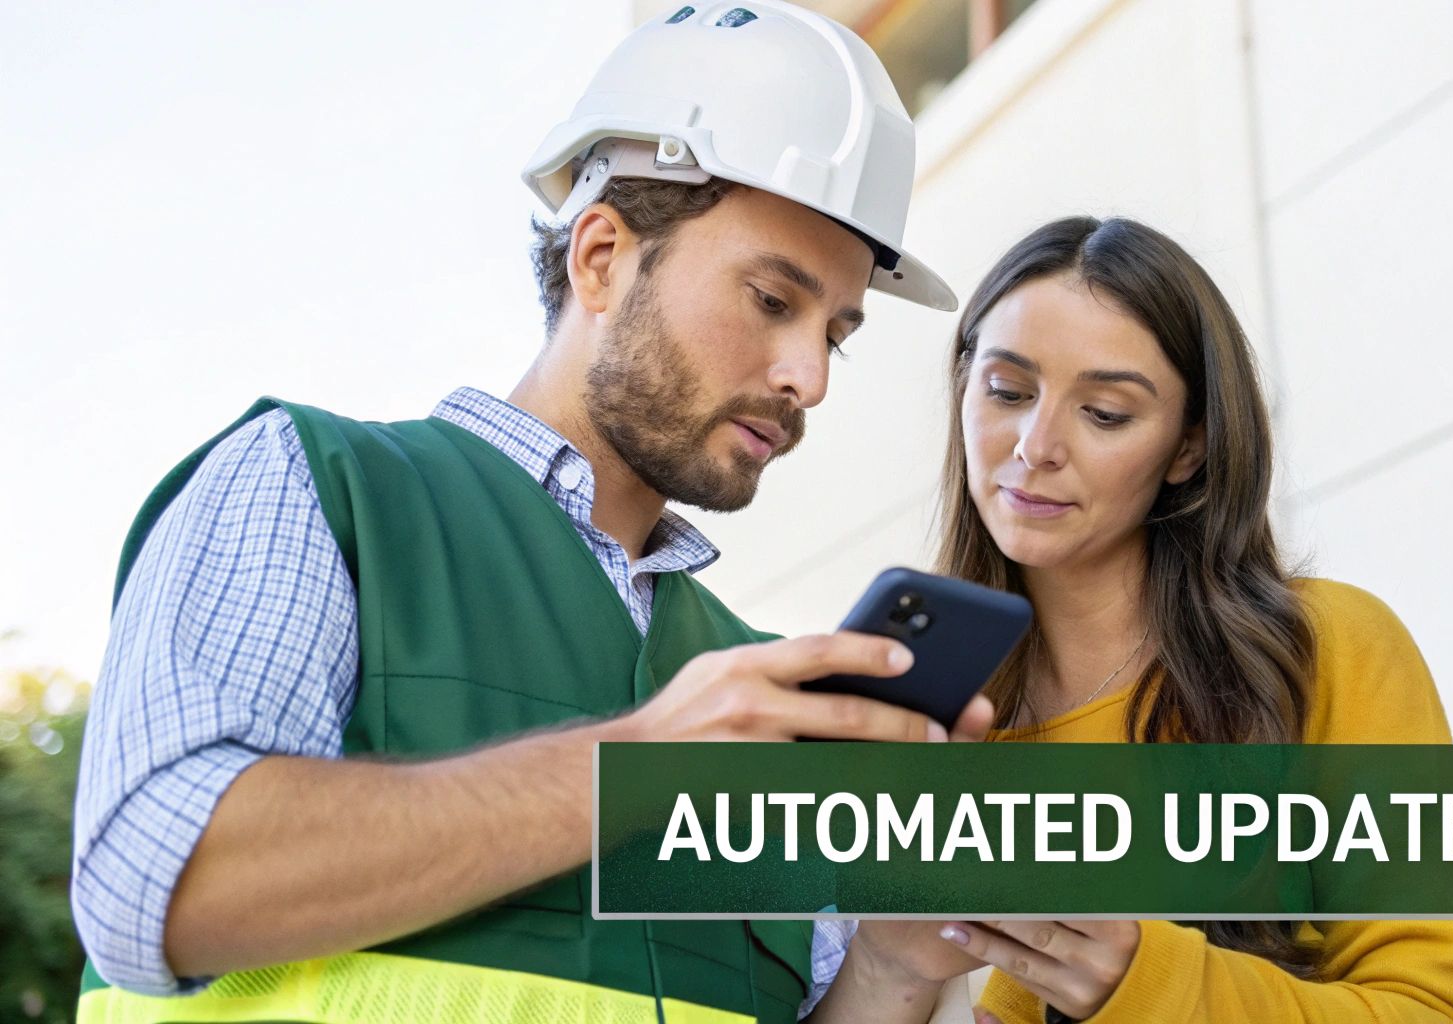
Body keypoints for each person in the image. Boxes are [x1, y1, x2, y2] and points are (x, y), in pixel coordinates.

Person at [68, 4, 991, 1022]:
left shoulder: (753, 691)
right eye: (772, 301)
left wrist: (892, 970)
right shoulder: (319, 487)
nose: (808, 377)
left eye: (837, 334)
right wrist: (637, 770)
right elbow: (151, 880)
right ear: (599, 256)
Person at [809, 216, 1453, 1023]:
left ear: (1188, 450)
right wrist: (893, 964)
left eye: (1104, 413)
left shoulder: (1326, 650)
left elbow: (1442, 1011)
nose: (1036, 446)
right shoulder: (910, 710)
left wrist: (1145, 981)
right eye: (1007, 392)